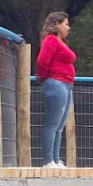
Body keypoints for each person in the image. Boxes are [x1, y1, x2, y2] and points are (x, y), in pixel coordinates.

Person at [36, 12, 76, 169]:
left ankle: (56, 158)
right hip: (56, 83)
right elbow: (42, 61)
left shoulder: (62, 42)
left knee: (60, 125)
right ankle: (48, 161)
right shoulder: (51, 40)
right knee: (52, 124)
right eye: (66, 24)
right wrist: (46, 78)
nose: (68, 27)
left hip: (66, 84)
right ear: (57, 24)